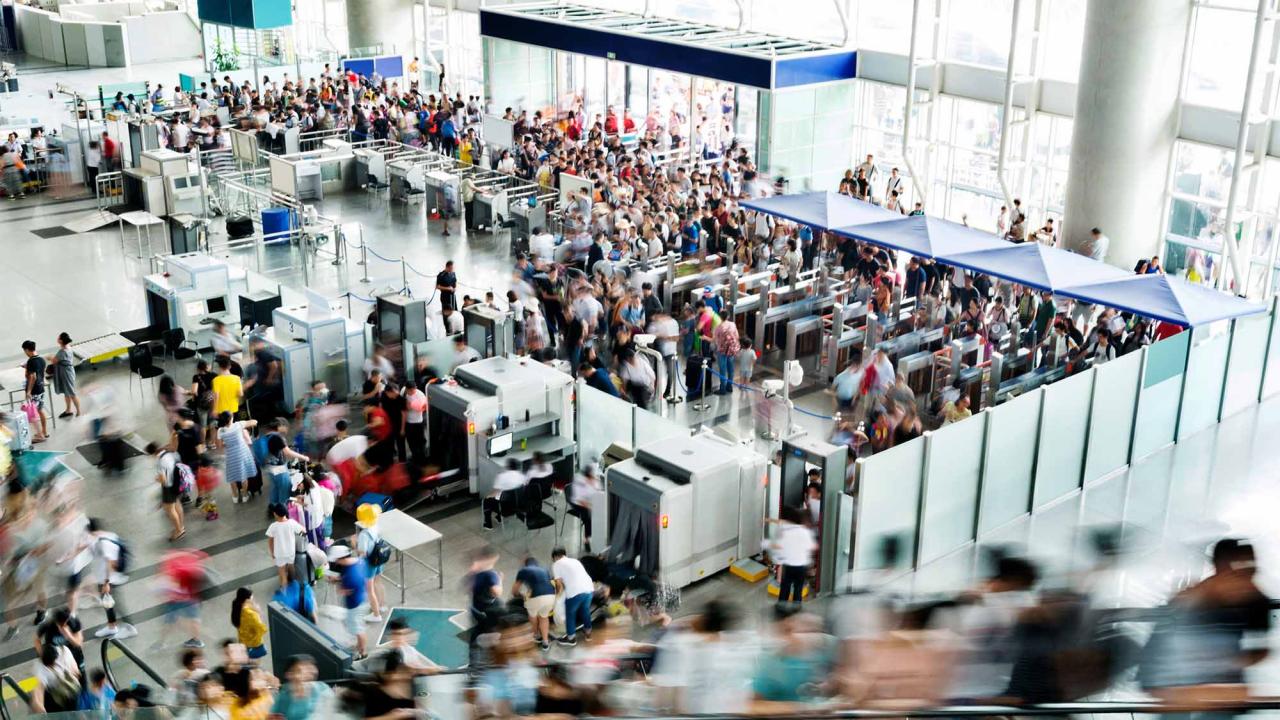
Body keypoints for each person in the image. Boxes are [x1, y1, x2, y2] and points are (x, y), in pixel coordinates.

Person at [768, 506, 817, 606]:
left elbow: (780, 547)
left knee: (785, 588)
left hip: (789, 565)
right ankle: (796, 607)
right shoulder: (805, 532)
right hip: (801, 566)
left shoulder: (787, 531)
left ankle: (781, 606)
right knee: (798, 589)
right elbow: (812, 547)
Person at [327, 544, 369, 659]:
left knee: (359, 629)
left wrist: (335, 582)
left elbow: (343, 591)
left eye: (336, 560)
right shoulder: (359, 561)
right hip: (362, 598)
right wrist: (339, 579)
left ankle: (363, 653)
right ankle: (359, 645)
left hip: (355, 605)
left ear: (341, 558)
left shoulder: (350, 577)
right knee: (358, 626)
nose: (336, 562)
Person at [552, 547, 594, 646]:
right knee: (585, 611)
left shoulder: (556, 564)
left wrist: (557, 597)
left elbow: (558, 584)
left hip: (575, 592)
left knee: (570, 614)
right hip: (589, 589)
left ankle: (571, 638)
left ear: (555, 557)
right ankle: (588, 633)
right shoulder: (575, 561)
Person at [513, 557, 557, 651]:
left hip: (537, 597)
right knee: (544, 617)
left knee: (533, 616)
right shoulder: (544, 570)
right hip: (551, 597)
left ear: (526, 564)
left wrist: (519, 595)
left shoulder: (523, 570)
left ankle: (536, 635)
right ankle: (545, 643)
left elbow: (515, 590)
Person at [354, 503, 387, 624]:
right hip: (378, 559)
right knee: (378, 582)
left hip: (369, 563)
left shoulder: (364, 535)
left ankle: (376, 615)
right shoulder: (376, 526)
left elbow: (362, 553)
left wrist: (354, 544)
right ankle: (382, 605)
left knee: (370, 589)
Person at [269, 654, 331, 720]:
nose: (309, 673)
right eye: (300, 670)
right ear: (289, 674)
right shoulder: (284, 695)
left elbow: (332, 713)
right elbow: (272, 715)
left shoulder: (322, 689)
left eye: (310, 668)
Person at [148, 441, 186, 541]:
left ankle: (179, 531)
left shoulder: (160, 461)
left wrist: (157, 479)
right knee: (177, 505)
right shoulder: (170, 452)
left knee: (170, 510)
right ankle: (181, 526)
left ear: (152, 453)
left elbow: (164, 480)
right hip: (178, 483)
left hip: (169, 487)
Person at [468, 545, 503, 643]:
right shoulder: (491, 575)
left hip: (475, 606)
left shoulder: (475, 568)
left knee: (477, 629)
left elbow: (470, 586)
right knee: (488, 628)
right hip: (486, 610)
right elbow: (497, 592)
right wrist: (500, 580)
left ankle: (474, 643)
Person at [266, 503, 305, 589]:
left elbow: (270, 541)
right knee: (291, 567)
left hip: (279, 553)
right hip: (290, 552)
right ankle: (293, 582)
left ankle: (285, 590)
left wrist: (272, 552)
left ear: (275, 514)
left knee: (282, 573)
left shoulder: (273, 526)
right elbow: (303, 532)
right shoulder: (291, 523)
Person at [484, 459, 526, 529]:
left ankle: (488, 524)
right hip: (519, 505)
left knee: (486, 501)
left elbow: (495, 492)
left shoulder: (501, 476)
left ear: (508, 466)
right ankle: (498, 517)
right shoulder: (522, 476)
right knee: (504, 498)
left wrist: (488, 496)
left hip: (505, 508)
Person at [567, 464, 600, 551]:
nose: (593, 478)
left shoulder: (594, 479)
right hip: (578, 503)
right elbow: (580, 500)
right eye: (590, 478)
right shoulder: (579, 482)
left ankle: (599, 535)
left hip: (590, 501)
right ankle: (587, 540)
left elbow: (598, 491)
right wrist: (592, 507)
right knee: (588, 517)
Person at [22, 340, 49, 443]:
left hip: (34, 391)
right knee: (40, 410)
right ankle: (44, 432)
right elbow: (41, 373)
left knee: (32, 413)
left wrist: (29, 391)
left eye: (25, 351)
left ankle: (40, 436)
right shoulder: (41, 359)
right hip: (41, 388)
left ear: (27, 350)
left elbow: (32, 376)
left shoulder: (31, 361)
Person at [48, 332, 80, 419]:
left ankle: (79, 412)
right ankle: (68, 410)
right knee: (67, 392)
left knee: (71, 393)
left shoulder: (62, 352)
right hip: (68, 371)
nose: (57, 338)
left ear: (61, 341)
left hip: (66, 373)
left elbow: (54, 361)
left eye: (58, 338)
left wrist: (49, 357)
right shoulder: (68, 347)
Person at [231, 587, 268, 659]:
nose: (253, 598)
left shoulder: (237, 605)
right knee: (254, 661)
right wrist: (259, 613)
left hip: (242, 640)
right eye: (251, 597)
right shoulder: (251, 614)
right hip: (253, 644)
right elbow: (262, 629)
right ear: (247, 599)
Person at [403, 382, 427, 464]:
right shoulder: (404, 392)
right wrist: (407, 406)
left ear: (415, 388)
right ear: (407, 389)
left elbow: (425, 407)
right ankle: (415, 457)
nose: (411, 392)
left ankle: (422, 458)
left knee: (420, 441)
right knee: (411, 441)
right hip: (408, 422)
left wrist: (415, 407)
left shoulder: (420, 395)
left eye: (413, 390)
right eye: (410, 391)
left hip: (418, 422)